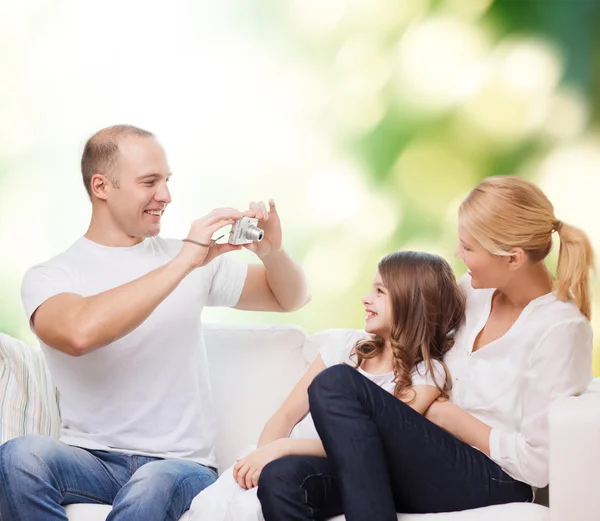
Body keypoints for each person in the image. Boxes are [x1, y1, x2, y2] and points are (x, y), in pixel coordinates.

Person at [0, 124, 311, 521]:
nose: (165, 195)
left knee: (152, 485)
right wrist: (182, 261)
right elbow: (79, 333)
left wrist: (274, 252)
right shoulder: (51, 276)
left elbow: (291, 297)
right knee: (19, 457)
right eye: (150, 182)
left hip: (180, 467)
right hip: (91, 460)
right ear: (101, 187)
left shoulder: (194, 261)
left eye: (166, 180)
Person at [257, 176, 595, 520]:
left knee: (336, 384)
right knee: (280, 479)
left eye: (468, 248)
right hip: (424, 454)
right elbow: (409, 317)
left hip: (492, 477)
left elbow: (536, 465)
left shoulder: (560, 329)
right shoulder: (474, 292)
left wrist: (449, 417)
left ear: (513, 258)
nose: (457, 254)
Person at [187, 250, 466, 521]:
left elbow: (368, 446)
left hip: (331, 470)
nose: (366, 299)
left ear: (411, 301)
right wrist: (264, 456)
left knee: (275, 486)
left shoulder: (427, 375)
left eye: (380, 292)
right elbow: (285, 416)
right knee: (217, 505)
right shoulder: (346, 348)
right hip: (280, 456)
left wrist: (283, 449)